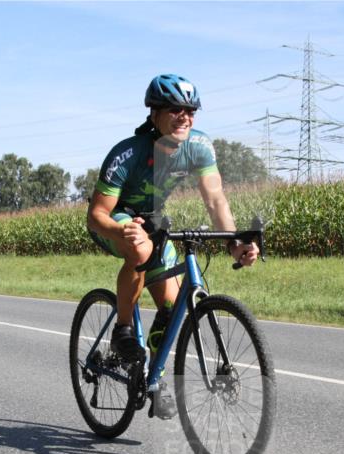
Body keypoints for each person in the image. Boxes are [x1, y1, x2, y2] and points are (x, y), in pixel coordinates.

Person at [87, 74, 259, 369]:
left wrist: (235, 242)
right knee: (140, 249)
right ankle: (122, 331)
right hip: (115, 219)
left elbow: (215, 200)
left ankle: (152, 378)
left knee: (172, 308)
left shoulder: (199, 146)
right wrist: (120, 230)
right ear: (154, 114)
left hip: (152, 222)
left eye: (190, 111)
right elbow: (96, 216)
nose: (184, 117)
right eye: (175, 109)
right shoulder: (128, 153)